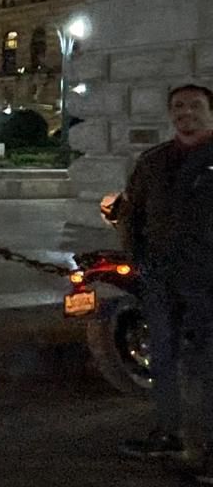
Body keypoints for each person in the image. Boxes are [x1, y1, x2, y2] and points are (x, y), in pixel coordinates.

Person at [119, 83, 213, 478]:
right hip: (160, 278)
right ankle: (170, 432)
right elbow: (131, 212)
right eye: (177, 106)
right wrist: (137, 261)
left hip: (207, 278)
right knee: (164, 358)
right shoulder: (154, 160)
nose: (185, 112)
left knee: (207, 364)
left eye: (194, 105)